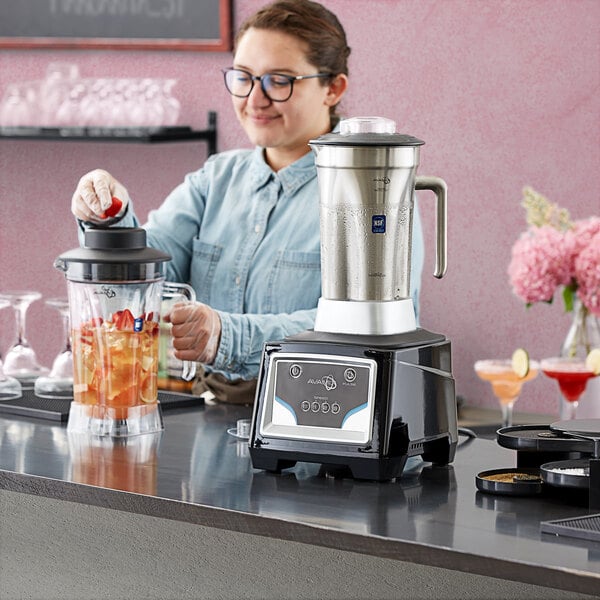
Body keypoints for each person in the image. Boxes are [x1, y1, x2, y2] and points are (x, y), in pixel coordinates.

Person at [71, 0, 423, 404]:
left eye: (280, 80)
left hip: (325, 418)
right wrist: (109, 217)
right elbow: (143, 280)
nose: (255, 99)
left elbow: (366, 327)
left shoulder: (373, 193)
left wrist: (225, 335)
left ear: (333, 88)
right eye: (244, 77)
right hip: (211, 420)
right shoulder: (215, 179)